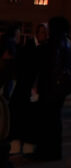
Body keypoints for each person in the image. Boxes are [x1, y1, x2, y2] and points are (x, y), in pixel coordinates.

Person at [33, 17, 71, 161]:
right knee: (55, 121)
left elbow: (46, 64)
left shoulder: (53, 44)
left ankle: (45, 152)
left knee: (46, 122)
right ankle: (54, 152)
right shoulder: (68, 43)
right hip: (61, 88)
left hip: (50, 88)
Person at [8, 23, 47, 156]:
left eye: (45, 32)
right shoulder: (31, 48)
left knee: (28, 117)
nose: (44, 35)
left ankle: (24, 144)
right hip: (26, 88)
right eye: (42, 32)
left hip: (30, 89)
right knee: (23, 116)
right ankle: (19, 144)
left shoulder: (42, 48)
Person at [0, 26, 20, 100]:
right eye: (18, 33)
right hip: (7, 68)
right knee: (8, 86)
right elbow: (5, 55)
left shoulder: (5, 40)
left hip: (5, 68)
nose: (19, 35)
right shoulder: (11, 41)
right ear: (14, 33)